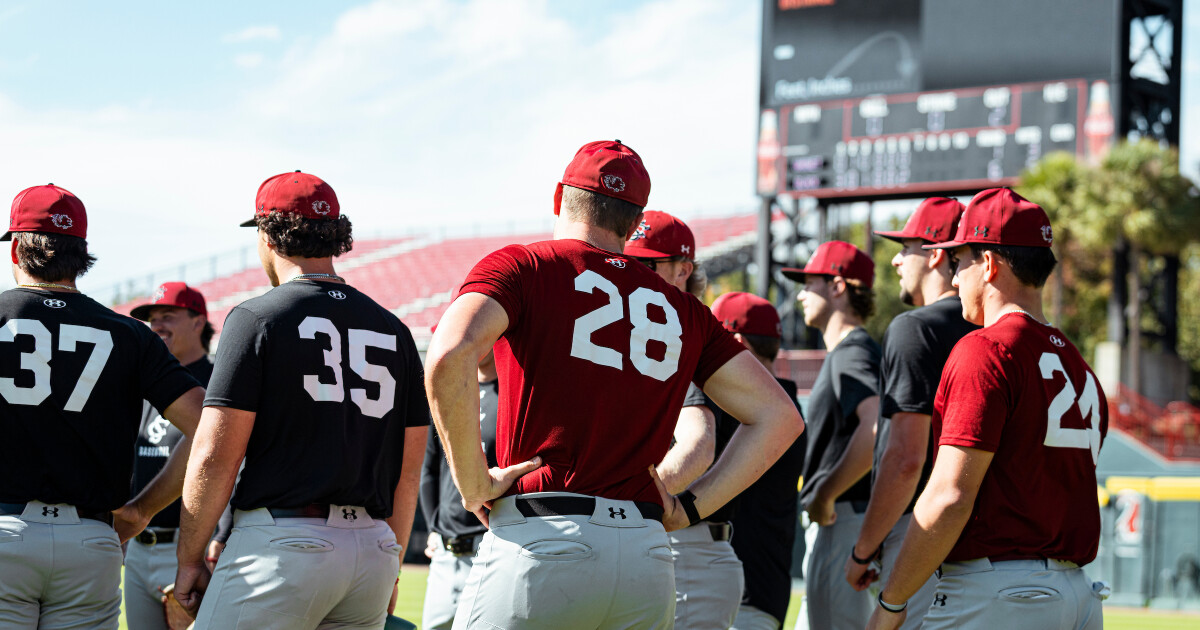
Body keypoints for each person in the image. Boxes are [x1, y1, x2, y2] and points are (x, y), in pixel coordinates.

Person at [425, 139, 804, 630]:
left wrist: (472, 482)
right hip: (644, 554)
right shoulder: (685, 309)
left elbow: (449, 354)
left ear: (560, 198)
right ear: (633, 221)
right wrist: (689, 508)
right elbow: (780, 418)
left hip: (544, 530)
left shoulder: (524, 266)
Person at [173, 171, 430, 628]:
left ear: (268, 235)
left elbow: (215, 456)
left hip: (285, 542)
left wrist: (190, 559)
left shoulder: (256, 317)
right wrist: (389, 558)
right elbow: (407, 472)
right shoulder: (395, 328)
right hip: (370, 547)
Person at [866, 188, 1108, 630]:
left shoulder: (985, 349)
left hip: (1001, 595)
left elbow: (949, 496)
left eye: (959, 262)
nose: (955, 278)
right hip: (1077, 595)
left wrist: (892, 602)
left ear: (990, 265)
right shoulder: (1077, 362)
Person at [0, 184, 205, 629]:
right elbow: (209, 426)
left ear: (16, 249)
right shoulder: (131, 334)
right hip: (90, 540)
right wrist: (142, 509)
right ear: (81, 254)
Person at [838, 198, 977, 629]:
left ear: (937, 254)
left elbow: (905, 461)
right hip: (989, 547)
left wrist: (864, 548)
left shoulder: (915, 328)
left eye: (906, 247)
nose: (896, 259)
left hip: (923, 536)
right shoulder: (1001, 330)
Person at [627, 210, 740, 630]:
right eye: (628, 261)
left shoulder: (676, 332)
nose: (633, 273)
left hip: (686, 544)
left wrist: (628, 499)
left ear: (683, 270)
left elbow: (698, 443)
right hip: (679, 537)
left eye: (647, 264)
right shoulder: (654, 329)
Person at [781, 240, 880, 629]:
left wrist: (826, 493)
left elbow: (874, 430)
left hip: (846, 519)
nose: (801, 293)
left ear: (838, 286)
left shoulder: (853, 351)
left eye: (810, 283)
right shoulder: (850, 352)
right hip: (846, 522)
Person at [704, 292, 807, 630]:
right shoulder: (788, 403)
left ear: (736, 341)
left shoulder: (745, 410)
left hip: (741, 594)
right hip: (763, 588)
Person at [125, 282, 217, 630]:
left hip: (191, 546)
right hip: (138, 546)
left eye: (167, 315)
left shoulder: (219, 378)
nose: (157, 325)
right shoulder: (144, 380)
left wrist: (210, 544)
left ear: (198, 322)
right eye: (152, 319)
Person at [420, 343, 498, 630]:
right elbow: (429, 468)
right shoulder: (447, 392)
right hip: (445, 549)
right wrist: (432, 525)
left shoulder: (513, 395)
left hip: (490, 544)